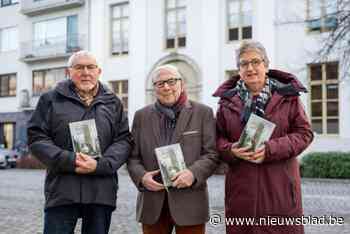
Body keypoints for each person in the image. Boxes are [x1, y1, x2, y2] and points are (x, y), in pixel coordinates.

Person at [213, 41, 314, 234]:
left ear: (266, 65)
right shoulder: (227, 102)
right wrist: (230, 150)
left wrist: (270, 149)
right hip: (241, 193)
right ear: (239, 70)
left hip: (280, 191)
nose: (250, 68)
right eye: (244, 64)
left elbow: (304, 133)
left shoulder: (288, 97)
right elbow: (217, 139)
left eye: (255, 62)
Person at [27, 50, 132, 234]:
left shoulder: (113, 102)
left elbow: (123, 140)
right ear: (69, 72)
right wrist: (69, 160)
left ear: (99, 71)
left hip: (101, 190)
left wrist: (101, 165)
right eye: (79, 67)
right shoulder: (50, 99)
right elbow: (37, 137)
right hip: (62, 189)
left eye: (90, 67)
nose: (85, 72)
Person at [127, 64, 219, 234]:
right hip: (152, 203)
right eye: (160, 83)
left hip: (190, 202)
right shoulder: (141, 116)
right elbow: (132, 157)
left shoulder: (203, 113)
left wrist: (193, 173)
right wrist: (142, 177)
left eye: (171, 81)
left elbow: (212, 154)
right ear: (154, 88)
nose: (166, 87)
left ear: (181, 84)